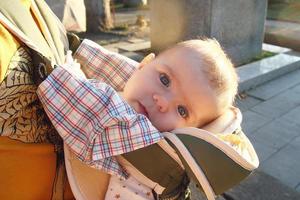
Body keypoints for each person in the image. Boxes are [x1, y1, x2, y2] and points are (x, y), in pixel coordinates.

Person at [36, 38, 238, 200]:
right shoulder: (118, 83)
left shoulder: (142, 174)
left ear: (187, 133)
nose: (162, 102)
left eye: (182, 110)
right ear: (143, 65)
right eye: (165, 80)